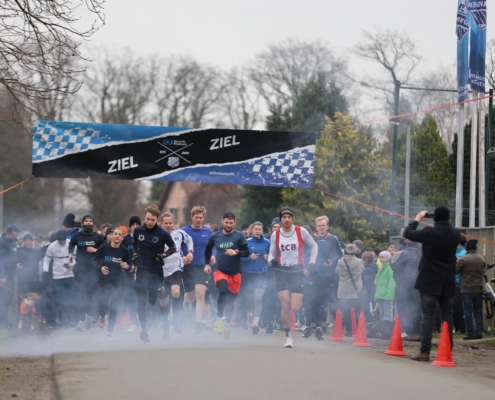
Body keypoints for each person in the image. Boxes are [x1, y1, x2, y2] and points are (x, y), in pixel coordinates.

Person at [404, 207, 461, 362]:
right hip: (447, 281)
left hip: (429, 281)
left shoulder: (429, 232)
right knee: (447, 317)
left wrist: (417, 219)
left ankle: (424, 351)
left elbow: (407, 234)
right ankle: (447, 349)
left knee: (427, 317)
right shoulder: (455, 233)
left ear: (434, 218)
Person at [268, 206, 318, 348]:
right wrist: (271, 260)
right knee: (285, 305)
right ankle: (288, 336)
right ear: (281, 219)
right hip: (281, 271)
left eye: (289, 217)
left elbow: (314, 246)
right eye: (284, 217)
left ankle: (299, 316)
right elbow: (271, 253)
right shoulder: (275, 234)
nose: (287, 219)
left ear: (292, 218)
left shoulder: (300, 231)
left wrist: (312, 262)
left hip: (297, 271)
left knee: (295, 307)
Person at [133, 205, 176, 343]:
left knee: (152, 301)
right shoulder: (138, 230)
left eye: (152, 220)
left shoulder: (162, 233)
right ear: (144, 217)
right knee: (141, 300)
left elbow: (173, 248)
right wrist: (134, 254)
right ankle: (144, 330)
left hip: (156, 270)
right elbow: (134, 242)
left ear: (157, 219)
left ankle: (160, 290)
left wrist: (163, 255)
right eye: (147, 219)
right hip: (141, 269)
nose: (149, 222)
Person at [205, 212, 248, 340]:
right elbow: (208, 248)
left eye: (231, 223)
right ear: (222, 221)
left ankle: (227, 324)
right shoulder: (215, 236)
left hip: (235, 273)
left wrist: (236, 252)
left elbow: (246, 252)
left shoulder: (239, 235)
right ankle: (219, 318)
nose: (228, 225)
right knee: (223, 290)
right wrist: (207, 264)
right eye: (226, 222)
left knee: (231, 301)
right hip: (220, 271)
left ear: (234, 222)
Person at [303, 216, 341, 340]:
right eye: (319, 225)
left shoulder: (333, 238)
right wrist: (304, 268)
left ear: (328, 226)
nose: (321, 227)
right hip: (313, 274)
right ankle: (309, 326)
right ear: (316, 227)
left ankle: (321, 326)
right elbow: (302, 254)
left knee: (323, 303)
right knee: (311, 301)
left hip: (328, 275)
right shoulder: (311, 238)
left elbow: (339, 254)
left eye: (323, 225)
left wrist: (332, 262)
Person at [94, 226, 132, 341]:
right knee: (103, 305)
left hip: (118, 282)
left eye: (119, 235)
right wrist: (101, 268)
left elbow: (129, 266)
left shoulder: (125, 250)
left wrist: (127, 266)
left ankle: (109, 332)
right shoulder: (103, 248)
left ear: (122, 238)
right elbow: (94, 261)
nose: (117, 236)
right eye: (115, 234)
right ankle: (101, 316)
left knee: (113, 307)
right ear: (111, 236)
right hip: (104, 281)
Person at [159, 212, 193, 340]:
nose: (168, 225)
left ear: (173, 223)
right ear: (161, 223)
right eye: (165, 223)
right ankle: (165, 326)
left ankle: (176, 319)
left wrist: (190, 252)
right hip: (161, 271)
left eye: (170, 223)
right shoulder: (157, 234)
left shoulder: (179, 233)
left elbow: (189, 240)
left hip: (176, 268)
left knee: (176, 292)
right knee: (164, 301)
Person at [69, 214, 105, 332]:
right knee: (80, 294)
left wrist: (95, 250)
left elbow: (105, 249)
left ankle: (88, 316)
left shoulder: (98, 237)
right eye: (86, 221)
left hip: (93, 270)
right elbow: (71, 244)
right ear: (83, 223)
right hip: (80, 269)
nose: (88, 222)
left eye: (90, 221)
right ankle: (80, 321)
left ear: (93, 223)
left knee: (90, 295)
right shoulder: (76, 236)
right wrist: (70, 254)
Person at [181, 206, 214, 335]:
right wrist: (184, 256)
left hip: (203, 266)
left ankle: (198, 323)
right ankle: (186, 301)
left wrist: (213, 255)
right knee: (190, 297)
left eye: (201, 218)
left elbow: (213, 246)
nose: (199, 220)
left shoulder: (208, 231)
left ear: (204, 218)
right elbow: (179, 247)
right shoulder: (184, 231)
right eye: (196, 218)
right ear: (192, 218)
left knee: (200, 294)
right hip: (189, 267)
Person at [241, 221, 270, 334]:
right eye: (256, 229)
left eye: (259, 229)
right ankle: (249, 313)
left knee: (258, 298)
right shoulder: (246, 242)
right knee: (249, 300)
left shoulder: (267, 243)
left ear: (262, 231)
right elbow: (239, 258)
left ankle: (255, 324)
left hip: (261, 273)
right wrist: (249, 257)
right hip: (248, 273)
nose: (258, 231)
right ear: (252, 230)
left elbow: (273, 255)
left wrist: (268, 257)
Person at [390, 239, 422, 340]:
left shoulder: (402, 254)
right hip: (417, 285)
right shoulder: (422, 255)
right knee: (416, 308)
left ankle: (407, 330)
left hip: (403, 285)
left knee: (404, 308)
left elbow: (394, 265)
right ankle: (417, 332)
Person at [43, 230, 74, 328]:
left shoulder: (71, 244)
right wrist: (45, 270)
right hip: (58, 276)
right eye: (60, 241)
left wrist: (71, 265)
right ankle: (64, 319)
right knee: (61, 299)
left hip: (70, 275)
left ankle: (70, 318)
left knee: (70, 298)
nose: (62, 242)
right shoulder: (52, 247)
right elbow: (46, 259)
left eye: (63, 240)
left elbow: (76, 258)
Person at [456, 239, 486, 340]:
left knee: (468, 311)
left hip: (467, 289)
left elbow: (455, 271)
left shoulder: (464, 259)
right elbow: (483, 270)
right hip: (479, 288)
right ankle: (479, 332)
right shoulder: (482, 259)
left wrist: (456, 262)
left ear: (467, 249)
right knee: (478, 311)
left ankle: (470, 333)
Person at [335, 243, 364, 336]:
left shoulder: (340, 262)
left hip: (344, 289)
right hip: (356, 289)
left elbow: (337, 272)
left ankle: (349, 330)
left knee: (346, 310)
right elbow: (362, 270)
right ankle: (360, 329)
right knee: (358, 309)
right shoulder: (359, 261)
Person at [260, 217, 282, 334]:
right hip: (269, 272)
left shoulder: (286, 239)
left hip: (281, 271)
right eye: (275, 227)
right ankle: (268, 321)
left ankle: (279, 319)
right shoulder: (266, 239)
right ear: (271, 228)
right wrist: (265, 256)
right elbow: (261, 249)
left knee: (279, 297)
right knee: (268, 297)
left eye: (279, 227)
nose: (277, 229)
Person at [122, 216, 141, 333]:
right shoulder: (125, 240)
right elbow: (121, 254)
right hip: (129, 272)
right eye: (133, 225)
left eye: (137, 224)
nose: (135, 226)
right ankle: (134, 322)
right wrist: (126, 265)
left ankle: (145, 321)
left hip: (143, 271)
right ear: (130, 226)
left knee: (143, 297)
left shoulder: (144, 238)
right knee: (130, 297)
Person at [0, 224, 20, 327]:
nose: (18, 234)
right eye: (17, 232)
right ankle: (2, 322)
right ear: (12, 232)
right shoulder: (3, 242)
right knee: (3, 298)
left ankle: (5, 321)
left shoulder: (11, 242)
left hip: (11, 274)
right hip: (5, 275)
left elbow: (11, 257)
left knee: (8, 298)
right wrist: (1, 275)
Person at [374, 251, 396, 323]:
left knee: (387, 313)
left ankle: (388, 328)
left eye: (383, 257)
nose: (381, 259)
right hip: (380, 294)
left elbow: (391, 283)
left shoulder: (389, 269)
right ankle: (383, 329)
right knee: (382, 313)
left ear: (387, 258)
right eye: (380, 257)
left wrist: (389, 295)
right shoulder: (381, 268)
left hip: (386, 295)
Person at [453, 236, 467, 334]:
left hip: (459, 282)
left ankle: (461, 328)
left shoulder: (463, 254)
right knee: (453, 306)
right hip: (452, 281)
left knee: (458, 307)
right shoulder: (455, 252)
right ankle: (456, 327)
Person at [361, 252, 377, 322]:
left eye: (362, 259)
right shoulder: (373, 267)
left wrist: (364, 292)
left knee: (367, 310)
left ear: (366, 260)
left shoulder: (367, 270)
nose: (361, 261)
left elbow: (367, 282)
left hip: (368, 293)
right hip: (372, 291)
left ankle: (369, 325)